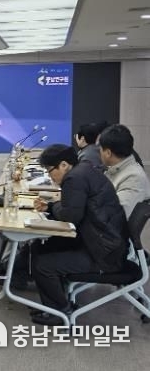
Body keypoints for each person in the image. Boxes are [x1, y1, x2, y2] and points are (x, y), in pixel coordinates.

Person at [29, 144, 128, 326]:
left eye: (50, 171)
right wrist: (51, 206)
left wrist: (54, 207)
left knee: (43, 265)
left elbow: (71, 216)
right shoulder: (83, 171)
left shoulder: (74, 179)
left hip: (103, 254)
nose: (50, 176)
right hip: (101, 243)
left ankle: (60, 312)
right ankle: (51, 306)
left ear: (64, 165)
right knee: (41, 247)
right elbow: (73, 209)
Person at [100, 124, 150, 217]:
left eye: (100, 149)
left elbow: (115, 215)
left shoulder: (134, 178)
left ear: (108, 153)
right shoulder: (116, 170)